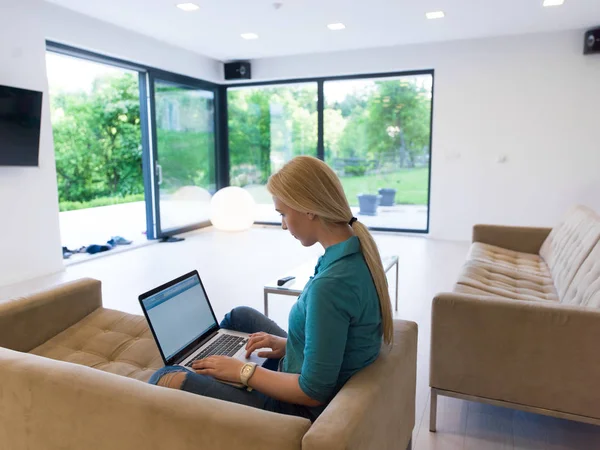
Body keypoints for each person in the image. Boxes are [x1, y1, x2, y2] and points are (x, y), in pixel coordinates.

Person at [148, 156, 393, 421]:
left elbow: (312, 392)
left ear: (310, 209)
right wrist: (288, 345)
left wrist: (243, 372)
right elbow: (339, 337)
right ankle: (213, 361)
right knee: (239, 316)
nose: (284, 225)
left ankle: (213, 374)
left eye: (284, 214)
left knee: (164, 377)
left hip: (295, 404)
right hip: (301, 368)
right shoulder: (353, 251)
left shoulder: (330, 287)